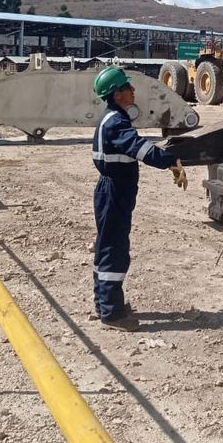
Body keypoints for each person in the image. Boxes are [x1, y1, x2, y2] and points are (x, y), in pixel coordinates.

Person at [91, 66, 187, 330]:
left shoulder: (112, 118)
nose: (133, 90)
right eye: (128, 87)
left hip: (112, 190)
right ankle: (112, 314)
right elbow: (140, 149)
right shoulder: (116, 122)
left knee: (107, 247)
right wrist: (170, 161)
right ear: (117, 94)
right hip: (114, 192)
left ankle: (105, 304)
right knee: (114, 250)